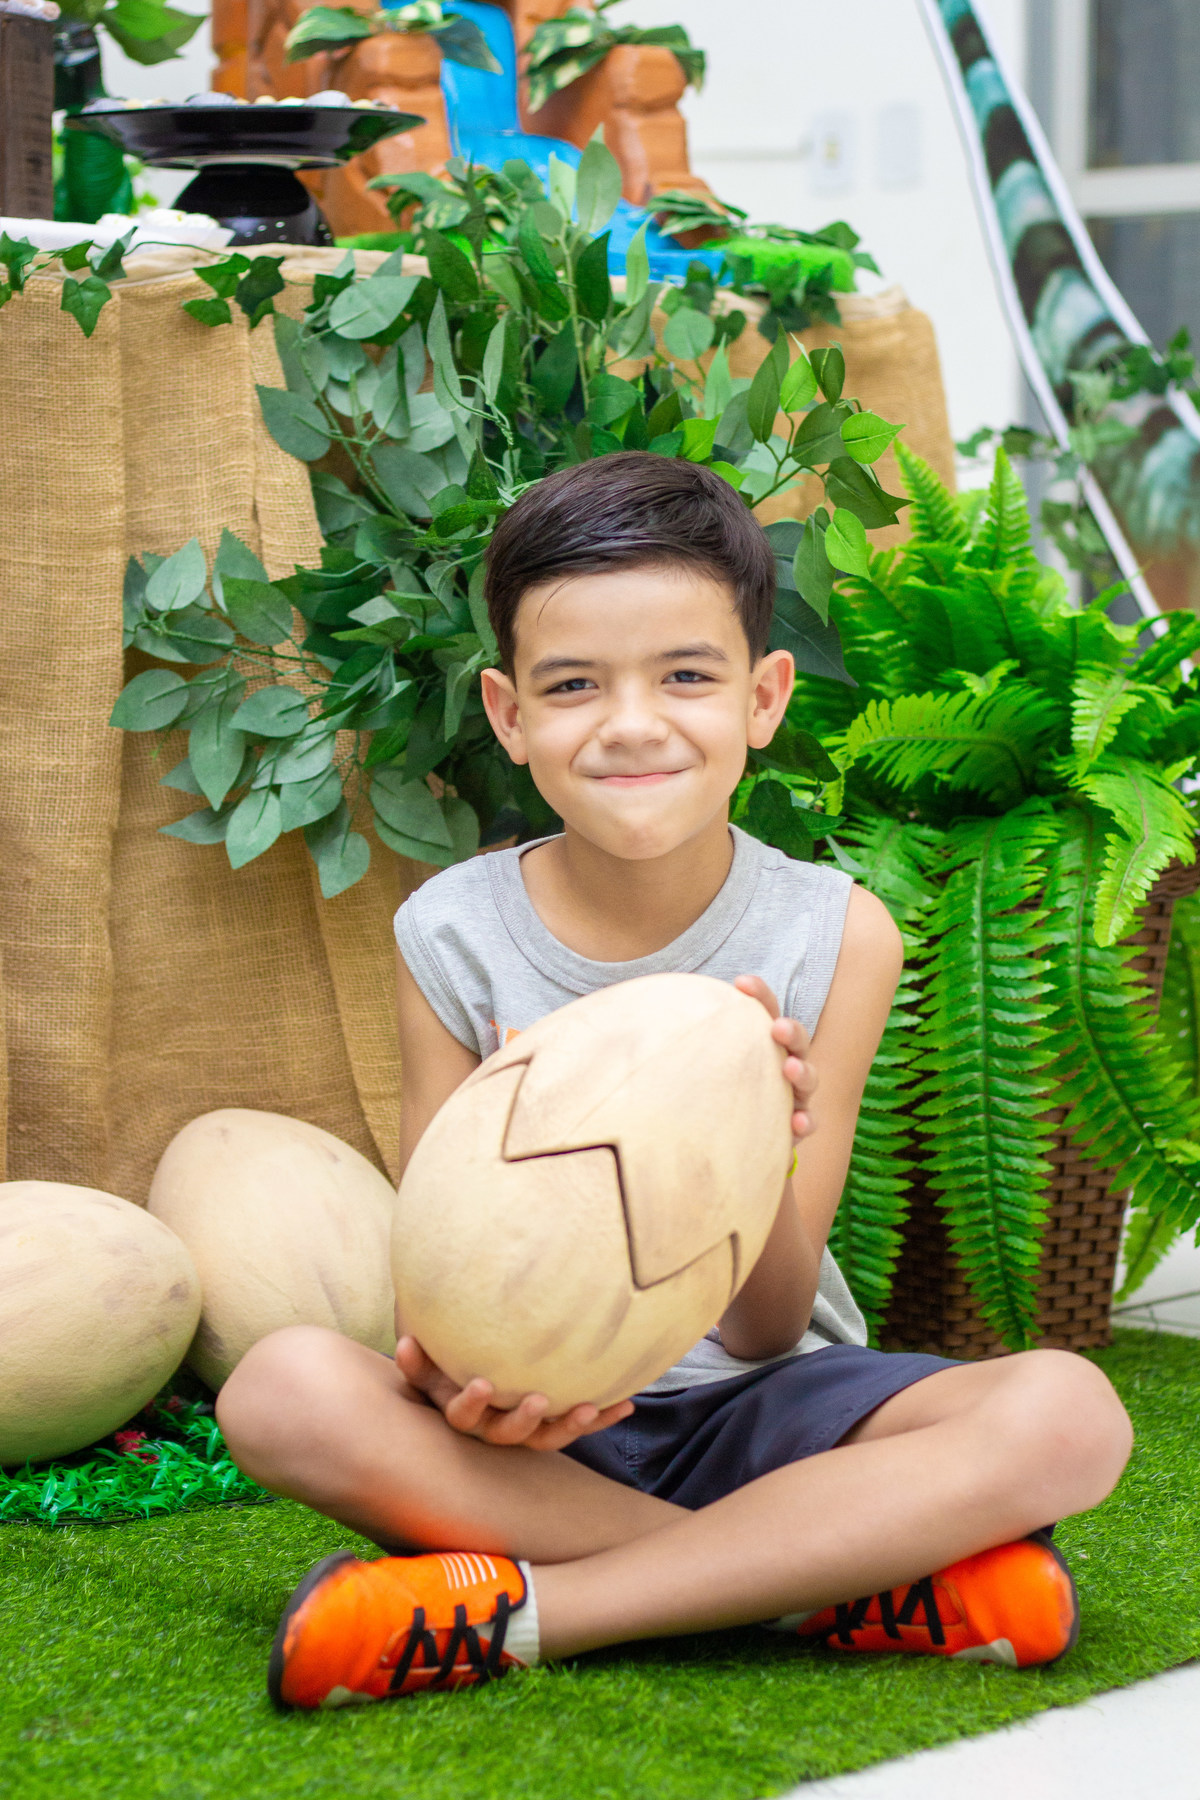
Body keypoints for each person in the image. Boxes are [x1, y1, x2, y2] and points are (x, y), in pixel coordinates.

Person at [216, 453, 1133, 1710]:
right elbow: (436, 1269)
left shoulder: (836, 933)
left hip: (772, 1411)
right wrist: (474, 1391)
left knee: (1069, 1414)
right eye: (574, 685)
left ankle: (543, 1612)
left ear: (763, 698)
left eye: (686, 677)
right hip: (544, 1436)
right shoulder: (450, 933)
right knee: (281, 1392)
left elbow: (766, 1327)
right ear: (508, 714)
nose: (633, 722)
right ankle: (831, 1584)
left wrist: (760, 1133)